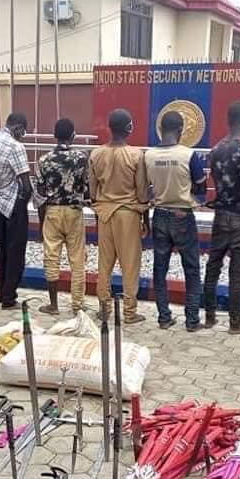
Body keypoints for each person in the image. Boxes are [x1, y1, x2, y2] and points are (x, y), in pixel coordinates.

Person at [145, 111, 207, 331]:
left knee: (160, 268)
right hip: (183, 215)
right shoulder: (189, 155)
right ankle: (192, 320)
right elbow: (201, 186)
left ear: (160, 130)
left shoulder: (148, 155)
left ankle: (164, 317)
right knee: (191, 269)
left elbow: (146, 188)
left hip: (159, 215)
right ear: (180, 130)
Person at [89, 109, 148, 324]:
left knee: (104, 264)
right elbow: (142, 192)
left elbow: (92, 190)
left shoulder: (96, 154)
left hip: (105, 213)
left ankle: (104, 308)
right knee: (130, 265)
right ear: (129, 128)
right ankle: (130, 312)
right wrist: (145, 218)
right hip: (128, 214)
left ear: (109, 127)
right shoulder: (136, 155)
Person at [205, 101, 240, 334]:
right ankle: (235, 324)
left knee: (213, 267)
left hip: (221, 215)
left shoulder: (216, 150)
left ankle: (209, 317)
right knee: (237, 272)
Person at [33, 117, 90, 316]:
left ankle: (53, 305)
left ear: (54, 136)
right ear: (73, 135)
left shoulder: (43, 160)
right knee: (77, 260)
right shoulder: (82, 158)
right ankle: (77, 305)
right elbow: (87, 188)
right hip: (74, 211)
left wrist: (42, 221)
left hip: (52, 211)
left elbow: (40, 194)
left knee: (51, 258)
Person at [0, 112, 33, 309]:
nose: (22, 136)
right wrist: (23, 205)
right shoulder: (15, 147)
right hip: (14, 205)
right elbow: (26, 185)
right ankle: (9, 298)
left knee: (2, 249)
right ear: (18, 128)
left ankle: (2, 292)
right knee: (16, 252)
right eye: (23, 132)